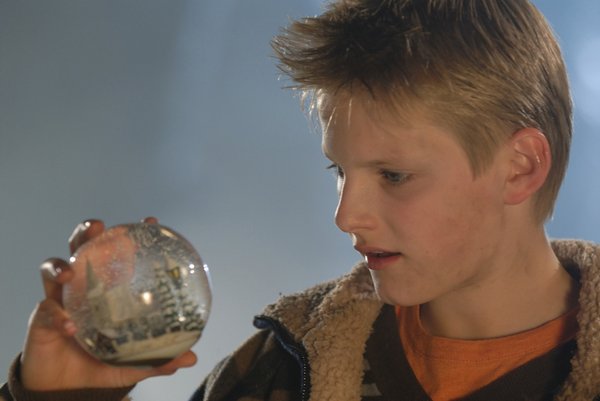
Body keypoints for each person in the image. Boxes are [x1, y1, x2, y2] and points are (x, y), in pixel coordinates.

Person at [2, 0, 599, 400]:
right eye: (339, 171)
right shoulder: (279, 366)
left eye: (394, 175)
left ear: (520, 167)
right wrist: (61, 397)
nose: (346, 216)